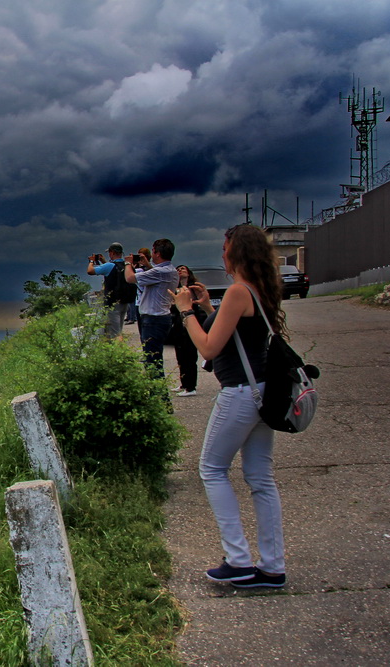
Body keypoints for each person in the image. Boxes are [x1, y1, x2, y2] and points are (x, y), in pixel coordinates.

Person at [171, 224, 288, 588]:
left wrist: (187, 311)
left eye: (225, 249)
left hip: (239, 393)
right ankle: (272, 567)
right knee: (260, 480)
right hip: (264, 392)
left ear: (237, 253)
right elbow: (239, 333)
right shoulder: (260, 289)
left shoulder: (238, 291)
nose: (222, 255)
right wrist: (207, 306)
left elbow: (207, 347)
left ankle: (238, 559)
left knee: (212, 469)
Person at [124, 239, 178, 379]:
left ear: (158, 253)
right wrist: (147, 265)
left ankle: (159, 395)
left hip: (153, 319)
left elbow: (130, 278)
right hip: (162, 317)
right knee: (155, 358)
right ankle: (159, 393)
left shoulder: (159, 272)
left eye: (153, 251)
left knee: (152, 361)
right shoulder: (171, 270)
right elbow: (156, 273)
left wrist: (128, 263)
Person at [86, 242, 133, 339]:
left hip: (112, 303)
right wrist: (104, 261)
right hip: (124, 301)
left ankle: (119, 353)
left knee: (115, 334)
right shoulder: (127, 265)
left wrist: (91, 261)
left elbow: (90, 271)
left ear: (112, 252)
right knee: (119, 328)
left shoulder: (109, 266)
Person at [169, 265, 200, 397]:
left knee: (190, 356)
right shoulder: (175, 289)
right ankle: (184, 383)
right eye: (178, 269)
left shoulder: (193, 288)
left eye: (183, 269)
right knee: (180, 355)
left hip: (191, 322)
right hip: (178, 323)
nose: (180, 271)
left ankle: (191, 387)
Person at [125, 247, 151, 326]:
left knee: (143, 329)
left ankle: (131, 318)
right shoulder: (153, 269)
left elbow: (128, 276)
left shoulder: (140, 271)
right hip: (148, 302)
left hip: (140, 302)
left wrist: (128, 263)